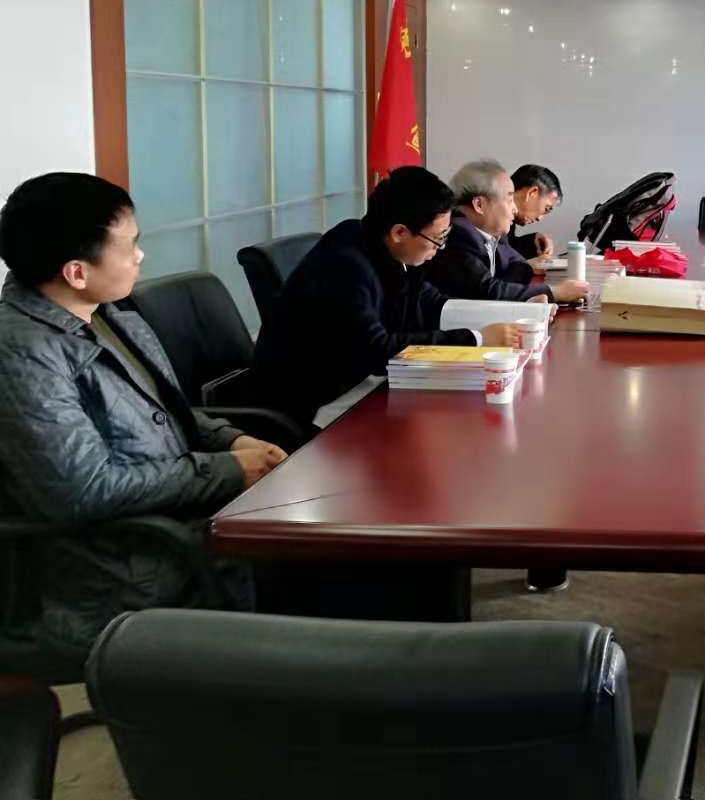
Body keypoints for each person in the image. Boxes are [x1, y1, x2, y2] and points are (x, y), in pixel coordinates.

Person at [0, 172, 287, 655]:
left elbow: (165, 410)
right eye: (129, 246)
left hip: (179, 524)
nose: (140, 256)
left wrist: (231, 440)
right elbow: (82, 491)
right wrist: (226, 470)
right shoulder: (22, 353)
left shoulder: (108, 314)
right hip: (116, 569)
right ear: (76, 272)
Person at [252, 166, 521, 429]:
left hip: (362, 383)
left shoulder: (385, 246)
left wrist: (516, 314)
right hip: (316, 402)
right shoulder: (345, 266)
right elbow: (378, 349)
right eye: (438, 238)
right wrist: (476, 339)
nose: (440, 247)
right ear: (399, 232)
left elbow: (430, 302)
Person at [426, 160, 589, 305]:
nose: (514, 208)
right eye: (510, 200)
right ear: (479, 205)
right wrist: (555, 292)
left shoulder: (492, 233)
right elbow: (488, 291)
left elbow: (516, 266)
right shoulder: (458, 233)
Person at [506, 163, 566, 267]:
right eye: (546, 209)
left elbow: (506, 248)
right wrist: (530, 267)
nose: (540, 218)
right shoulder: (490, 218)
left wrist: (533, 241)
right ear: (532, 193)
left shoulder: (507, 219)